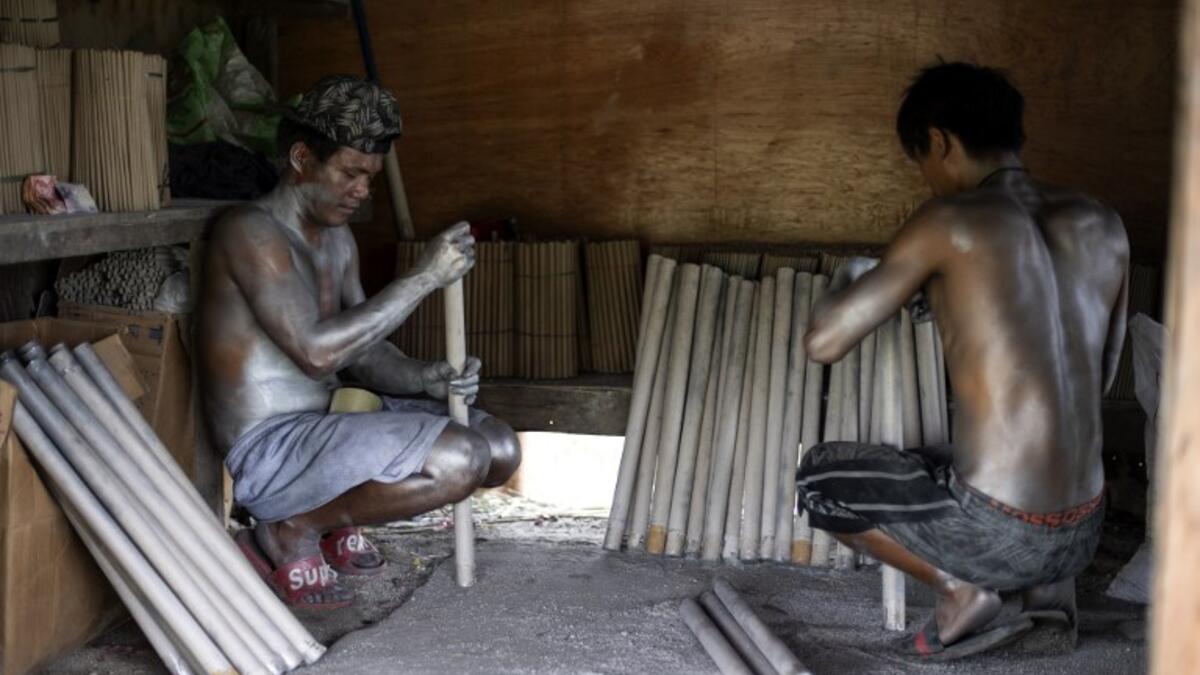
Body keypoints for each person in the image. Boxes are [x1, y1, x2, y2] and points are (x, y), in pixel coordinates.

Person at [797, 62, 1129, 659]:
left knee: (820, 477)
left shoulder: (949, 221)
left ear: (940, 141)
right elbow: (1101, 376)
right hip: (1084, 531)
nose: (927, 179)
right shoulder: (1102, 221)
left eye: (921, 161)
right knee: (948, 460)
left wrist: (853, 276)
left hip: (999, 536)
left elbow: (824, 343)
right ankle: (1046, 596)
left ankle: (959, 589)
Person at [197, 75, 521, 610]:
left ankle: (333, 513)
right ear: (302, 158)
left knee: (501, 449)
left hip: (331, 418)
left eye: (371, 177)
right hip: (272, 448)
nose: (362, 191)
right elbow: (316, 352)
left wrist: (422, 377)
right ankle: (293, 525)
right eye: (350, 173)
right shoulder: (250, 233)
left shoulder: (338, 239)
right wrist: (422, 278)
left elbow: (364, 354)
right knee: (461, 459)